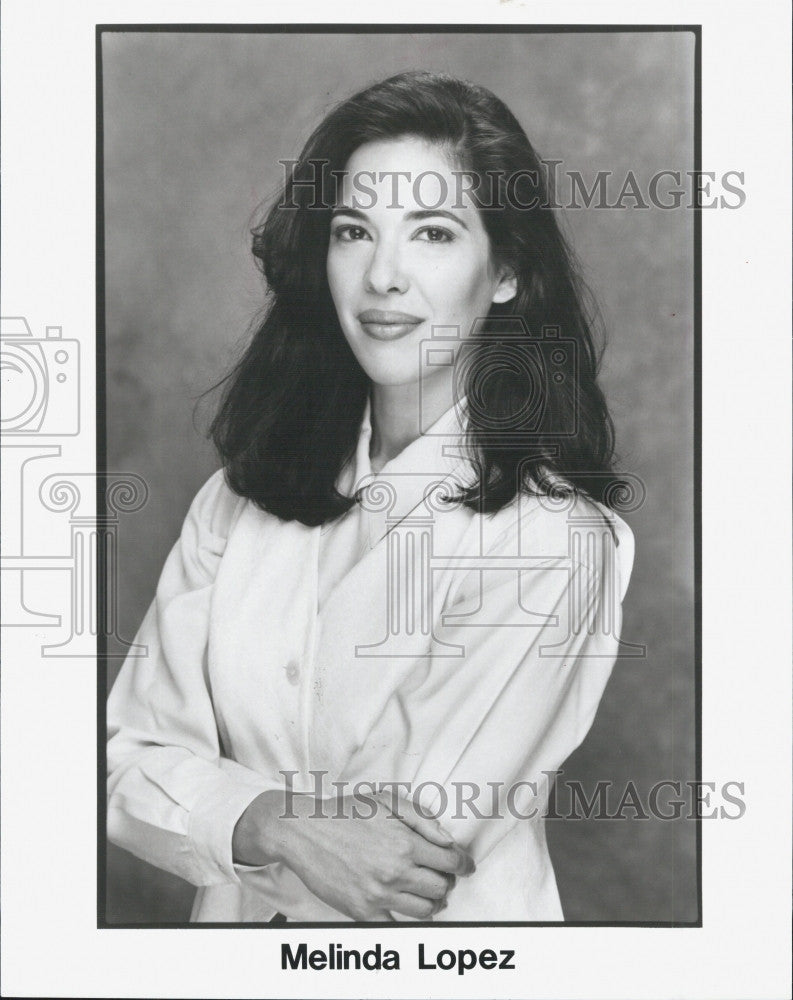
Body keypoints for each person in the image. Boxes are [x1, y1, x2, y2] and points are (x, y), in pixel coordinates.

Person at [107, 70, 635, 923]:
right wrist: (281, 825)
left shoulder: (555, 539)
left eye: (431, 232)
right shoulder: (233, 502)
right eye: (355, 230)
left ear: (504, 271)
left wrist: (225, 813)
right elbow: (124, 768)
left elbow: (401, 857)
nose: (383, 276)